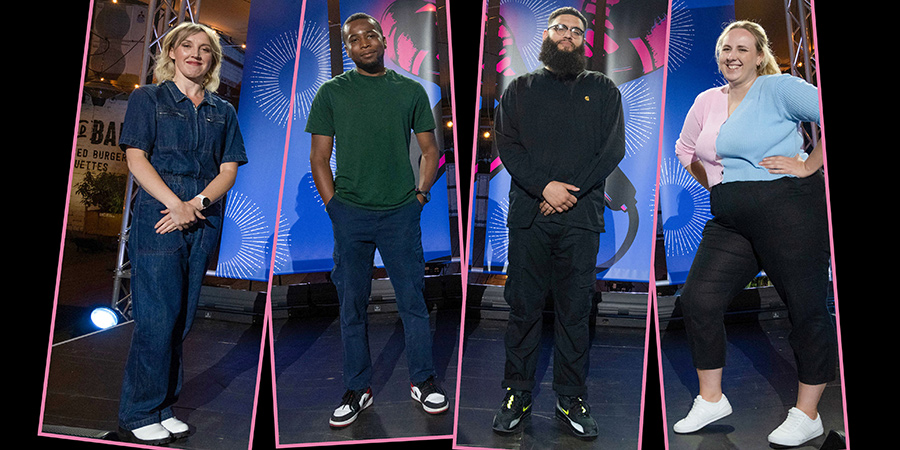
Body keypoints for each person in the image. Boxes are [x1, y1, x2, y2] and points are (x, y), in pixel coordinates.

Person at [671, 20, 835, 447]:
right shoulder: (707, 100)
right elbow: (685, 150)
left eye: (743, 48)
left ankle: (808, 413)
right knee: (698, 298)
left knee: (806, 309)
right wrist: (719, 184)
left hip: (789, 209)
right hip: (730, 218)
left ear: (760, 56)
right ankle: (711, 400)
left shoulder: (780, 89)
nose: (733, 55)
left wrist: (808, 164)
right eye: (726, 47)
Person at [305, 12, 448, 428]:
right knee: (351, 306)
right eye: (354, 39)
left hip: (400, 215)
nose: (364, 43)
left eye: (370, 35)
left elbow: (430, 150)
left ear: (383, 40)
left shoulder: (410, 91)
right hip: (351, 215)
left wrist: (419, 197)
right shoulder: (332, 92)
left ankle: (423, 380)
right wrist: (335, 208)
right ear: (347, 48)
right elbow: (318, 158)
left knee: (413, 304)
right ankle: (358, 388)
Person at [489, 7, 625, 439]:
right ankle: (517, 393)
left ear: (585, 40)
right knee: (524, 308)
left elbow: (611, 151)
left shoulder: (603, 89)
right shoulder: (520, 89)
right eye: (560, 28)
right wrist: (544, 188)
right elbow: (508, 146)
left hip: (581, 218)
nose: (567, 34)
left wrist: (569, 192)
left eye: (576, 30)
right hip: (530, 217)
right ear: (547, 35)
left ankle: (571, 397)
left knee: (574, 312)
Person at [116, 22, 248, 445]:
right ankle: (138, 412)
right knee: (157, 318)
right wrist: (175, 204)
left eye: (205, 49)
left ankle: (163, 406)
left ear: (213, 60)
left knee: (182, 319)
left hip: (203, 218)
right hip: (160, 215)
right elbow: (137, 158)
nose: (195, 53)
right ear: (171, 53)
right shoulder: (148, 98)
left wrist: (197, 206)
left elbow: (228, 171)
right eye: (187, 46)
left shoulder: (222, 111)